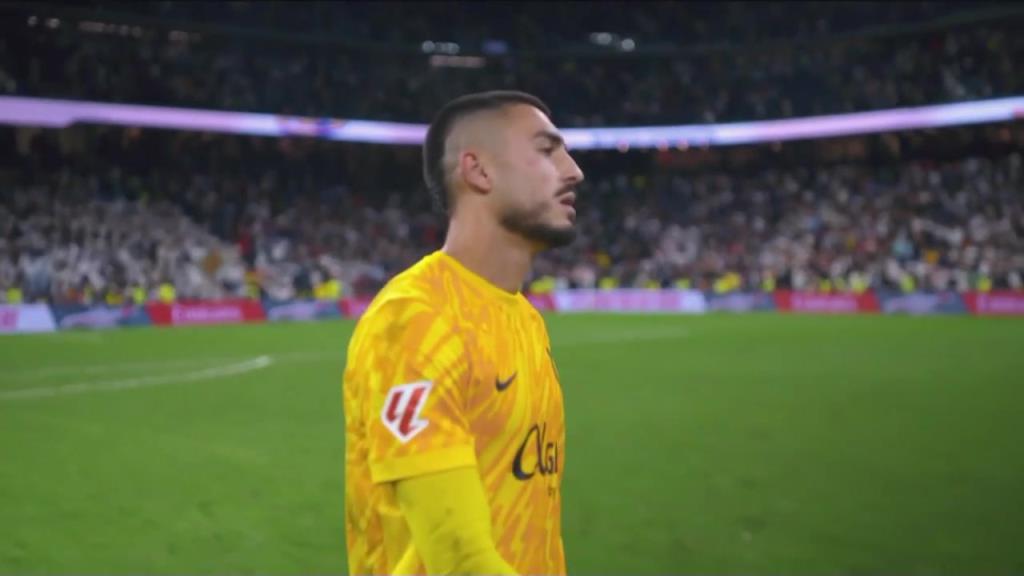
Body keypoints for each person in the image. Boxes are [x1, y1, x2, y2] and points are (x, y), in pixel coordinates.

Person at [342, 90, 584, 575]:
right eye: (546, 150)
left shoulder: (524, 318)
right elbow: (458, 557)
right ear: (478, 171)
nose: (574, 170)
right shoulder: (416, 320)